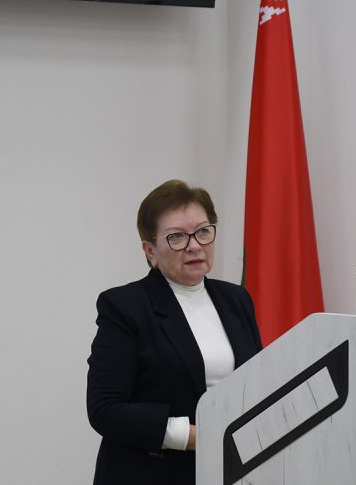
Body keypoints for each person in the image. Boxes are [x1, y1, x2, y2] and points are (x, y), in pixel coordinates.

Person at [87, 179, 263, 485]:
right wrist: (195, 437)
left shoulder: (236, 299)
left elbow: (257, 383)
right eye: (176, 237)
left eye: (203, 231)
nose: (194, 245)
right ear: (150, 251)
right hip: (153, 473)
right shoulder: (125, 306)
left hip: (232, 469)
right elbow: (105, 410)